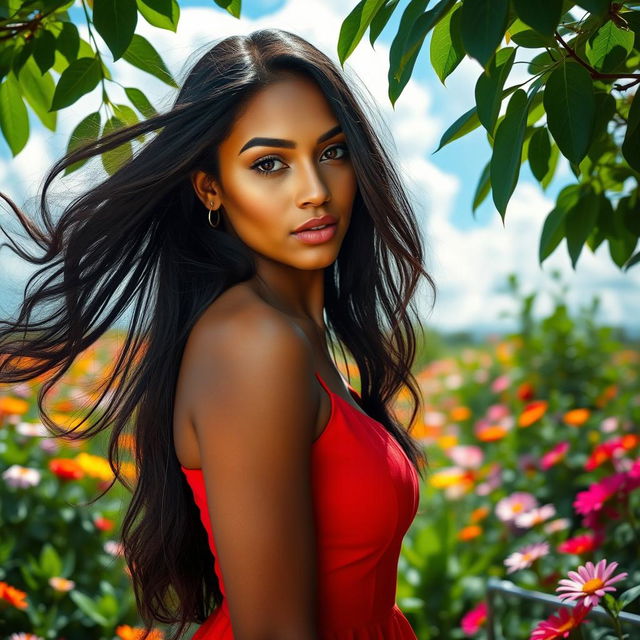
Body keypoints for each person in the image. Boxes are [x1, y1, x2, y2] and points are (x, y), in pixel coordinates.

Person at [0, 28, 435, 640]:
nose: (313, 190)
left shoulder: (291, 335)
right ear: (211, 188)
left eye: (333, 152)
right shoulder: (252, 343)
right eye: (269, 164)